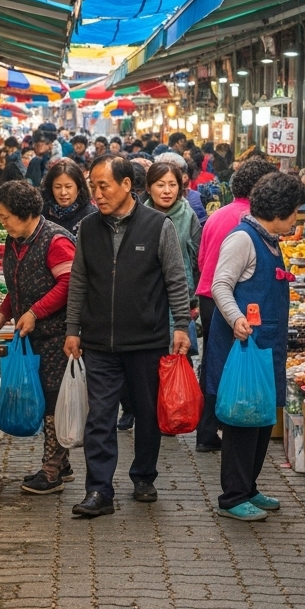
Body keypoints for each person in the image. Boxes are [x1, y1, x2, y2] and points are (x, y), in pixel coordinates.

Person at [64, 155, 193, 517]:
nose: (97, 194)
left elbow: (175, 279)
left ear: (126, 185)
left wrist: (180, 324)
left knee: (148, 414)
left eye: (103, 186)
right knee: (100, 416)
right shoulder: (88, 228)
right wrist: (72, 329)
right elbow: (79, 282)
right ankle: (99, 490)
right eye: (93, 187)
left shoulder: (158, 226)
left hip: (147, 340)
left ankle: (143, 476)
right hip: (98, 342)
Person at [204, 172, 305, 521]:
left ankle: (249, 486)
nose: (296, 219)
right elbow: (221, 285)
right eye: (294, 211)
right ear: (279, 210)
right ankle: (232, 496)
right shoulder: (243, 239)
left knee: (262, 417)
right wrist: (236, 319)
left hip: (265, 345)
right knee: (241, 419)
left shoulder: (269, 239)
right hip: (243, 345)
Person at [0, 181, 77, 494]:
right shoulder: (16, 240)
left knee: (52, 400)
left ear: (24, 214)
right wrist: (1, 314)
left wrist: (35, 312)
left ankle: (51, 473)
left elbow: (69, 284)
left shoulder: (55, 241)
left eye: (5, 216)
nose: (2, 221)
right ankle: (61, 462)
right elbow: (18, 285)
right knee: (46, 395)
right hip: (32, 334)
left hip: (57, 334)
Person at [192, 158, 277, 452]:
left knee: (214, 364)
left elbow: (202, 259)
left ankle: (206, 430)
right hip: (233, 302)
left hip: (207, 295)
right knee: (232, 366)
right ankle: (231, 424)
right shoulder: (253, 222)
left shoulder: (218, 215)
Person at [145, 161, 201, 294]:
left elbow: (198, 260)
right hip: (148, 293)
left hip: (183, 293)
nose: (167, 191)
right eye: (160, 185)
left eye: (172, 185)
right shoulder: (140, 217)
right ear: (148, 188)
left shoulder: (188, 216)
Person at [42, 159, 97, 235]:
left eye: (68, 187)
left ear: (78, 188)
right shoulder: (42, 215)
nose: (63, 192)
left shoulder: (91, 216)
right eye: (58, 187)